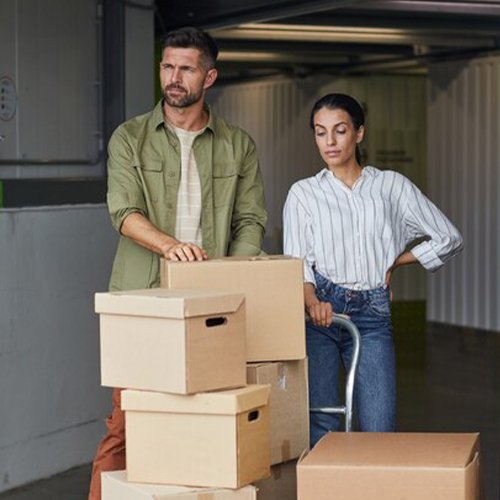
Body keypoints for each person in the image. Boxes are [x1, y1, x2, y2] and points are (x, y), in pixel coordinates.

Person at [88, 27, 267, 499]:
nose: (173, 76)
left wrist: (230, 276)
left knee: (207, 423)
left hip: (213, 308)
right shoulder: (129, 137)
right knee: (125, 425)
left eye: (186, 68)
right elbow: (123, 213)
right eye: (168, 66)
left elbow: (250, 220)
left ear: (209, 76)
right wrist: (170, 246)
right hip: (143, 303)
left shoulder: (237, 144)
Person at [283, 93, 463, 447]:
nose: (330, 142)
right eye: (320, 133)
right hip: (320, 311)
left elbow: (449, 238)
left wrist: (398, 259)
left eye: (340, 130)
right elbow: (297, 261)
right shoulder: (303, 194)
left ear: (359, 133)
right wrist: (311, 301)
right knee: (321, 419)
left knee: (380, 425)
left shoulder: (391, 187)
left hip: (373, 313)